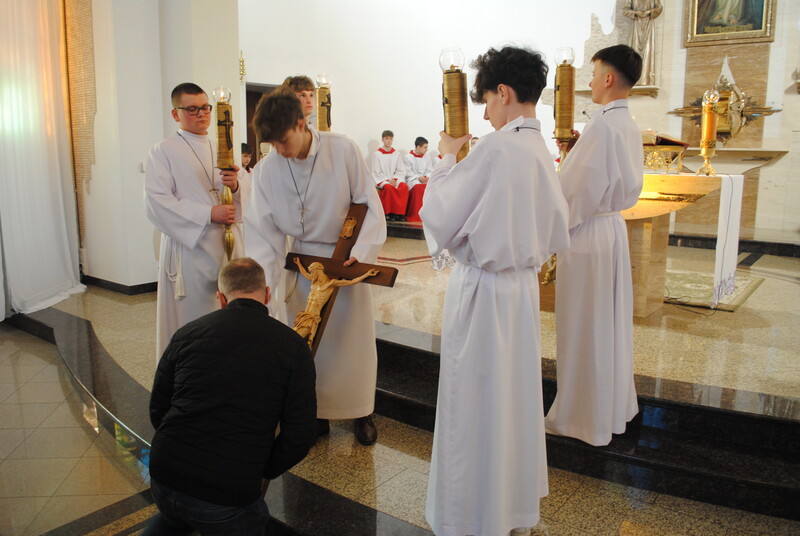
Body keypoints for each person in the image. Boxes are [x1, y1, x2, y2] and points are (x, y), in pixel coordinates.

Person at [421, 46, 570, 536]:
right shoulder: (540, 149)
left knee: (473, 400)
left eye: (486, 101)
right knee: (511, 400)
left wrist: (446, 155)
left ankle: (469, 515)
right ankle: (509, 508)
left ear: (503, 92)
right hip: (520, 292)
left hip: (483, 293)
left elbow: (439, 214)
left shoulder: (498, 148)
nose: (484, 114)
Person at [245, 93, 386, 446]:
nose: (278, 150)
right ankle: (317, 413)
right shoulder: (266, 170)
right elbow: (263, 232)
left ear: (301, 124)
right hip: (301, 265)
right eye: (271, 143)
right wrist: (266, 287)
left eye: (283, 140)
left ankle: (361, 412)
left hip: (344, 259)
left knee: (352, 346)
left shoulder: (342, 150)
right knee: (308, 347)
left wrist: (361, 253)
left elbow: (369, 203)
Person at [145, 257, 317, 536]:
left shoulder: (187, 333)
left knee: (175, 518)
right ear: (267, 294)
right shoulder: (293, 347)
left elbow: (158, 408)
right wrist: (260, 468)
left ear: (221, 298)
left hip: (163, 473)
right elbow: (300, 435)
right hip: (226, 495)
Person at [544, 44, 644, 447]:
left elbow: (574, 193)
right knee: (607, 324)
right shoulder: (626, 122)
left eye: (594, 72)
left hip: (587, 233)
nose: (589, 81)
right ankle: (610, 407)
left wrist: (547, 229)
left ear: (608, 77)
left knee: (584, 325)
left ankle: (581, 418)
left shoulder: (602, 126)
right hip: (611, 230)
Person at [145, 82, 246, 360]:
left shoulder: (223, 148)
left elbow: (249, 195)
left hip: (228, 244)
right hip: (191, 249)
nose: (201, 114)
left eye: (205, 108)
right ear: (175, 114)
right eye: (191, 109)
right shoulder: (163, 151)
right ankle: (194, 369)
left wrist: (236, 186)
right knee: (196, 316)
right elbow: (157, 202)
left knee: (231, 315)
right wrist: (209, 213)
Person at [371, 129, 408, 221]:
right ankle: (389, 213)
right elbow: (376, 171)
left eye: (391, 139)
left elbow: (401, 169)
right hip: (384, 180)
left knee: (404, 187)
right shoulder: (377, 154)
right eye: (387, 138)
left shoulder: (396, 154)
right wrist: (388, 180)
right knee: (388, 188)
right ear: (382, 139)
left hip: (395, 179)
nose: (389, 141)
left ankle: (400, 213)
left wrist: (395, 179)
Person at [403, 136, 435, 222]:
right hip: (413, 180)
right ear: (418, 147)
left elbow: (430, 170)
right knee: (418, 187)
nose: (427, 149)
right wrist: (418, 178)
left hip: (424, 179)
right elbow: (408, 172)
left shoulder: (427, 157)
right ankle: (415, 214)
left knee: (431, 187)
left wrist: (426, 176)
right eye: (425, 147)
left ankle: (429, 215)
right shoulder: (408, 157)